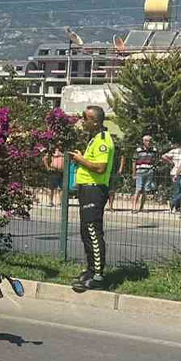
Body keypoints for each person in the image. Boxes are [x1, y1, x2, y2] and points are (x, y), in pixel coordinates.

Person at [69, 105, 115, 292]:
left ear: (95, 121)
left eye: (85, 118)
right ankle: (90, 269)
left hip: (95, 190)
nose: (82, 121)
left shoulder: (103, 140)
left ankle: (98, 275)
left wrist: (80, 160)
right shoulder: (94, 139)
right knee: (85, 231)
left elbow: (100, 167)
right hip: (87, 189)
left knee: (93, 232)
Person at [132, 134, 158, 212]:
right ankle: (134, 207)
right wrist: (134, 173)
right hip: (140, 171)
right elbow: (134, 161)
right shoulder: (138, 150)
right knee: (138, 189)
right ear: (143, 142)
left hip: (149, 171)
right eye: (146, 141)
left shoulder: (154, 150)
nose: (148, 142)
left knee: (145, 190)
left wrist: (154, 167)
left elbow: (156, 160)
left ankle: (141, 207)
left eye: (150, 141)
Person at [161, 144, 181, 212]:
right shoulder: (175, 151)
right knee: (177, 190)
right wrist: (170, 162)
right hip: (175, 173)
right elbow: (164, 156)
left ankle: (175, 205)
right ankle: (174, 205)